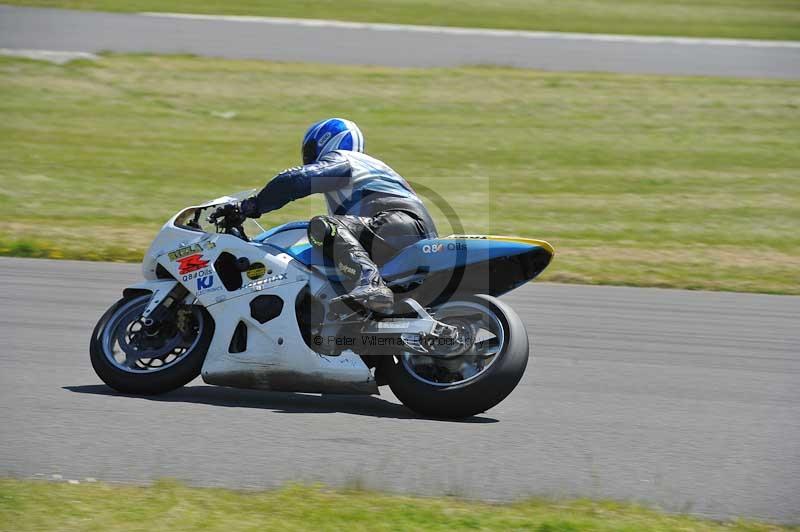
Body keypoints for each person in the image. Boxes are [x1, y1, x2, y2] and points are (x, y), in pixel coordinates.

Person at [216, 118, 437, 312]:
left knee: (324, 227)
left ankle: (369, 284)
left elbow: (295, 180)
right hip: (404, 229)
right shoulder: (362, 179)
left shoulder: (347, 159)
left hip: (398, 222)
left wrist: (250, 206)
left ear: (325, 141)